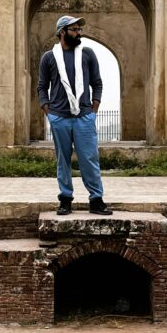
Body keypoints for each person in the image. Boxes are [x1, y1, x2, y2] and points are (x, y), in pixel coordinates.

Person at [37, 15, 113, 216]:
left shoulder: (87, 54)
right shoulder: (49, 57)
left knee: (89, 158)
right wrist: (48, 111)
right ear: (62, 32)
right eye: (75, 30)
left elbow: (97, 83)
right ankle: (65, 200)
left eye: (79, 29)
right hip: (59, 117)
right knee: (63, 161)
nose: (79, 33)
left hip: (84, 117)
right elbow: (42, 87)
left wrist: (94, 108)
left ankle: (96, 200)